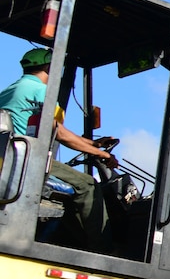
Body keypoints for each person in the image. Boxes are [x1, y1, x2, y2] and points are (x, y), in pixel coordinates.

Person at [0, 48, 116, 250]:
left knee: (72, 189)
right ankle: (103, 250)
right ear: (48, 67)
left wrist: (94, 144)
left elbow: (57, 130)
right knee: (88, 185)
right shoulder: (41, 90)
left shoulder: (12, 89)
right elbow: (59, 134)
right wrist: (101, 154)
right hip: (28, 161)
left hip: (10, 158)